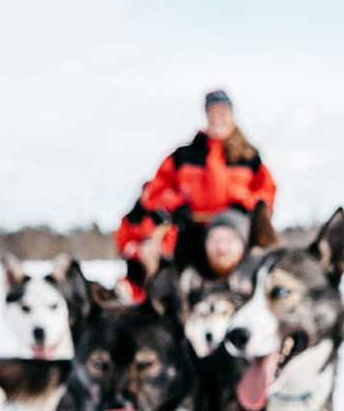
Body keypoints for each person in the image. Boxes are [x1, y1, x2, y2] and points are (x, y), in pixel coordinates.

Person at [114, 89, 277, 298]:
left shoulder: (249, 156)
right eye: (213, 112)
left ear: (231, 115)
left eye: (222, 112)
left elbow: (267, 192)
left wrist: (243, 206)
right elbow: (157, 190)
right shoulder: (184, 155)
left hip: (233, 230)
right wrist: (177, 205)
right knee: (184, 282)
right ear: (206, 116)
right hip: (191, 229)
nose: (218, 117)